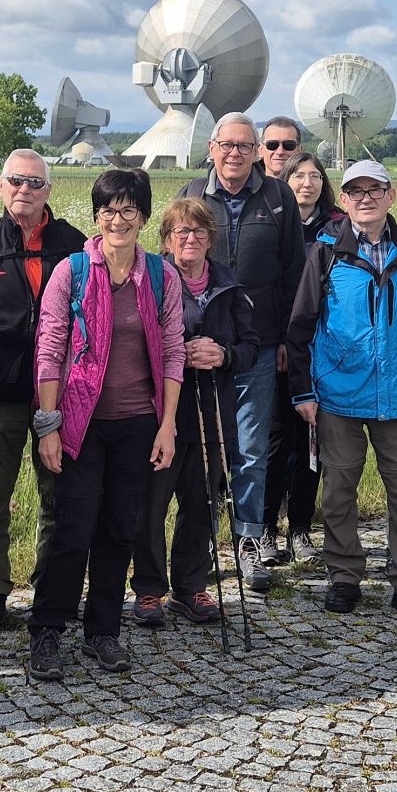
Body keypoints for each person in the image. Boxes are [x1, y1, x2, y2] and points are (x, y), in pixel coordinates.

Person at [28, 168, 184, 681]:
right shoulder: (71, 271)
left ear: (143, 216)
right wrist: (47, 425)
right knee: (72, 528)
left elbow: (172, 353)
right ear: (96, 216)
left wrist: (167, 427)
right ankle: (48, 630)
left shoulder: (161, 275)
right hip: (79, 422)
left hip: (138, 421)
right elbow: (49, 350)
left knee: (121, 529)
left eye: (128, 210)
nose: (117, 220)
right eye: (108, 210)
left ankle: (103, 631)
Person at [287, 161, 397, 625]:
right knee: (338, 493)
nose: (365, 198)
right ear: (342, 200)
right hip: (338, 395)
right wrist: (303, 391)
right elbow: (301, 326)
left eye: (374, 190)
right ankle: (344, 577)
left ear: (391, 196)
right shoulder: (325, 252)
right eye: (354, 191)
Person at [0, 150, 87, 630]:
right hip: (1, 392)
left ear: (49, 191)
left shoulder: (73, 244)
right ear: (0, 184)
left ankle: (50, 586)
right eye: (16, 180)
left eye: (35, 183)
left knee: (58, 491)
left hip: (58, 392)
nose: (24, 190)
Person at [181, 114, 305, 592]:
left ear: (257, 151)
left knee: (250, 450)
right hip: (200, 347)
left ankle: (249, 543)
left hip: (259, 345)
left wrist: (287, 342)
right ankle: (205, 542)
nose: (235, 154)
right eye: (226, 145)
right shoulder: (192, 194)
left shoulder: (278, 198)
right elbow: (173, 265)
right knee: (208, 450)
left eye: (244, 146)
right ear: (211, 148)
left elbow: (294, 273)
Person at [131, 197, 256, 627]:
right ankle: (148, 590)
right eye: (181, 232)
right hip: (161, 414)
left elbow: (251, 347)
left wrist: (222, 353)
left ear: (211, 239)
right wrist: (173, 354)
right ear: (166, 240)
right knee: (151, 502)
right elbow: (134, 343)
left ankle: (191, 586)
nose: (190, 238)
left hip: (213, 411)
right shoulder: (151, 280)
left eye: (199, 231)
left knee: (202, 503)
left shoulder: (230, 283)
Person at [263, 150, 339, 564]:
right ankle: (267, 529)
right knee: (277, 442)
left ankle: (300, 528)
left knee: (312, 443)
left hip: (322, 353)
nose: (306, 183)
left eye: (314, 176)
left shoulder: (339, 228)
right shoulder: (275, 223)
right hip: (281, 350)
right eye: (298, 176)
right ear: (285, 182)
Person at [258, 116, 307, 181]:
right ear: (261, 150)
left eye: (288, 145)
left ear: (299, 151)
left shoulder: (310, 188)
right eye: (272, 145)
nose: (280, 152)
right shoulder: (242, 188)